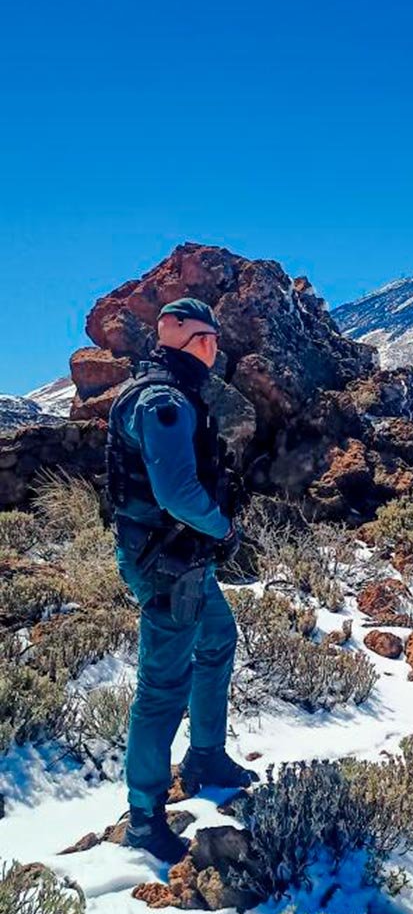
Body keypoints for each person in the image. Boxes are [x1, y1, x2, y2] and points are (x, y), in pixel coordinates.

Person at [106, 297, 258, 864]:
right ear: (195, 341)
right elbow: (175, 493)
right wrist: (224, 530)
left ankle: (206, 758)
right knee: (162, 687)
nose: (217, 350)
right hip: (165, 562)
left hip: (181, 557)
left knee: (218, 637)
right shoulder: (163, 401)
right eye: (211, 340)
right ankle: (145, 816)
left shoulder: (169, 391)